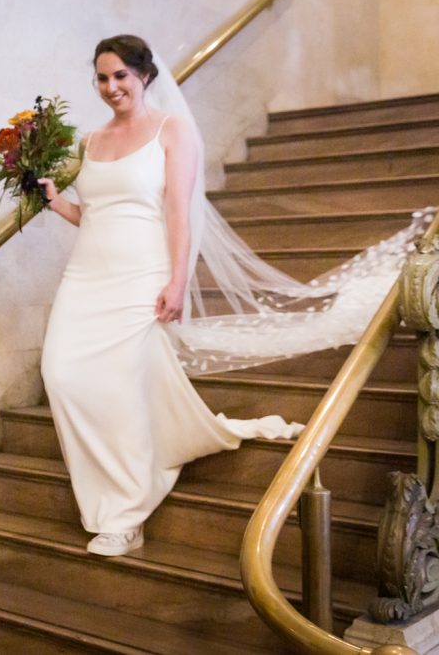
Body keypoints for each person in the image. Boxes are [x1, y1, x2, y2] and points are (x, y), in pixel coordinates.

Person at [36, 35, 426, 557]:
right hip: (85, 274)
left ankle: (126, 513)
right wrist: (59, 204)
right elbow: (98, 214)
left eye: (120, 77)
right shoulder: (91, 141)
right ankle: (132, 472)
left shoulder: (171, 131)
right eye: (102, 79)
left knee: (119, 387)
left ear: (144, 76)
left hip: (140, 274)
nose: (111, 88)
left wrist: (176, 281)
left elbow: (178, 213)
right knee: (59, 374)